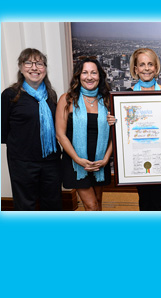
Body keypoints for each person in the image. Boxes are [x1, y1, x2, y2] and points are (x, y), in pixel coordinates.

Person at [1, 49, 63, 210]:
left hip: (51, 161)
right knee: (25, 205)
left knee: (53, 204)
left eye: (39, 64)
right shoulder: (10, 95)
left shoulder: (51, 95)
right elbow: (3, 131)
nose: (34, 68)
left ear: (45, 68)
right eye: (28, 63)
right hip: (22, 162)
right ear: (21, 68)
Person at [55, 57, 111, 211]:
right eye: (85, 72)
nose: (89, 76)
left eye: (94, 72)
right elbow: (60, 134)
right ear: (78, 76)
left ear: (99, 76)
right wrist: (78, 160)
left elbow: (115, 134)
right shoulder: (67, 100)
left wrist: (106, 159)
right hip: (76, 162)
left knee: (98, 202)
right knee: (91, 205)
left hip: (100, 162)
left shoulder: (107, 100)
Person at [123, 48, 161, 211]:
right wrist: (115, 121)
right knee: (144, 199)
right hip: (138, 153)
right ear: (135, 69)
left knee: (159, 199)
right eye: (142, 65)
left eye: (150, 64)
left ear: (156, 68)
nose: (146, 68)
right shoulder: (126, 95)